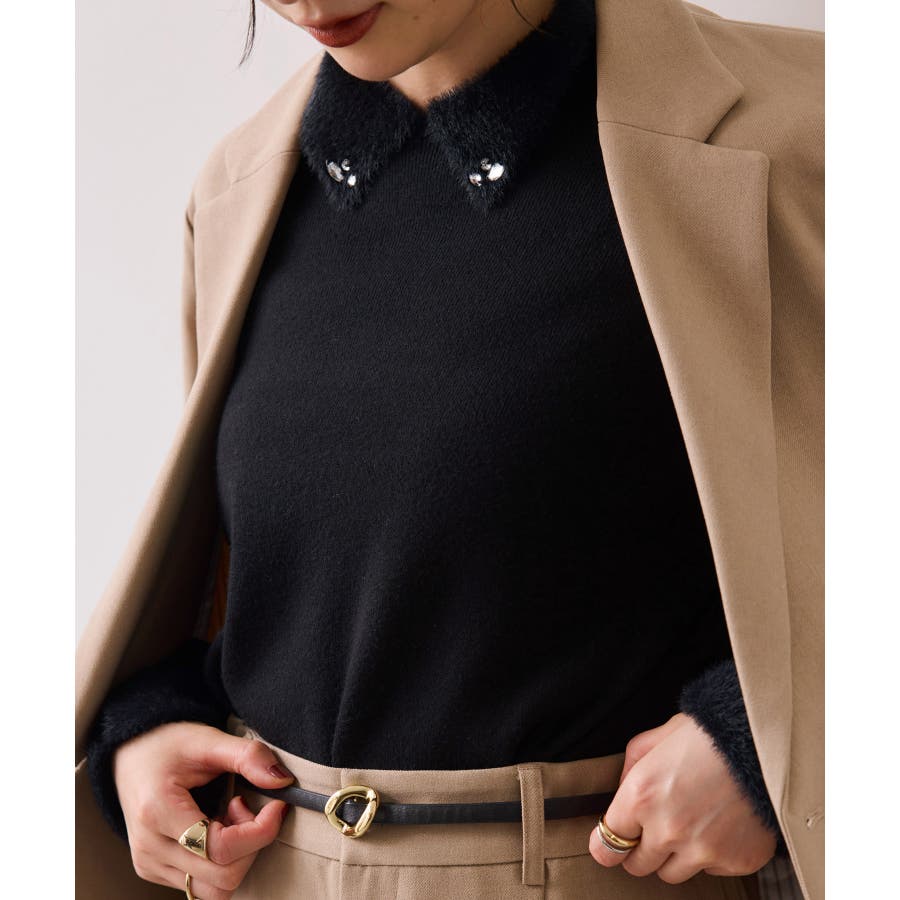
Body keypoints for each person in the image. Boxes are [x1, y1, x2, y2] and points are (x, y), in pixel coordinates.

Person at [76, 0, 824, 898]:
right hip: (269, 869)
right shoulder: (240, 185)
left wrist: (760, 739)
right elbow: (294, 578)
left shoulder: (815, 134)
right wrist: (150, 726)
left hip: (608, 869)